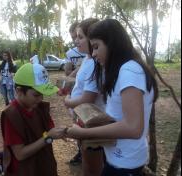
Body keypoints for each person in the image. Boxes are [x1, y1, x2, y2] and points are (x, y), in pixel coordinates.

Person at [65, 19, 159, 176]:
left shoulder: (129, 71)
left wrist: (83, 134)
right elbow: (121, 117)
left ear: (112, 44)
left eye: (96, 47)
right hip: (120, 159)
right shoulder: (125, 69)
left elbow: (133, 128)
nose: (93, 53)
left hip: (125, 164)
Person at [1, 63, 65, 176]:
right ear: (19, 91)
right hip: (26, 170)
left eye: (43, 94)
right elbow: (20, 154)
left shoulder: (40, 107)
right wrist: (48, 137)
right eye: (36, 95)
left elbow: (50, 129)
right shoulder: (11, 115)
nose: (40, 99)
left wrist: (60, 133)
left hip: (44, 163)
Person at [64, 18, 105, 174]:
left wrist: (68, 102)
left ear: (92, 38)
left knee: (91, 168)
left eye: (80, 37)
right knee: (86, 161)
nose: (76, 41)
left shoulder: (95, 62)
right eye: (76, 36)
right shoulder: (88, 59)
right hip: (83, 118)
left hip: (92, 122)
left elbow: (88, 98)